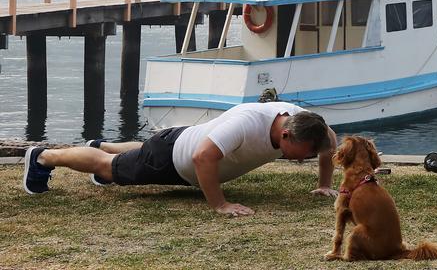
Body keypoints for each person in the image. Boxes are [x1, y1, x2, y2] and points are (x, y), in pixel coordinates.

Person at [21, 101, 338, 217]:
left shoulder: (304, 122)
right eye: (308, 151)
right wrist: (219, 204)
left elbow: (329, 143)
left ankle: (102, 145)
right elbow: (203, 158)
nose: (311, 155)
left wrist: (325, 184)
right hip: (170, 160)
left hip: (178, 139)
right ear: (286, 137)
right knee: (107, 167)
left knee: (141, 148)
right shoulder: (248, 123)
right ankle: (44, 158)